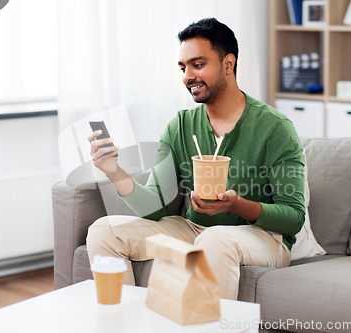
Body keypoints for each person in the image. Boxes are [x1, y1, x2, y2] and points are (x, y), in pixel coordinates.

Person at [86, 17, 305, 300]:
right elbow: (154, 207)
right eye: (183, 67)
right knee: (104, 230)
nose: (187, 76)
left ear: (228, 64)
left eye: (197, 64)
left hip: (264, 236)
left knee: (215, 239)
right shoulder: (180, 125)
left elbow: (293, 218)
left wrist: (237, 205)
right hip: (195, 229)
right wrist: (114, 171)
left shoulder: (275, 127)